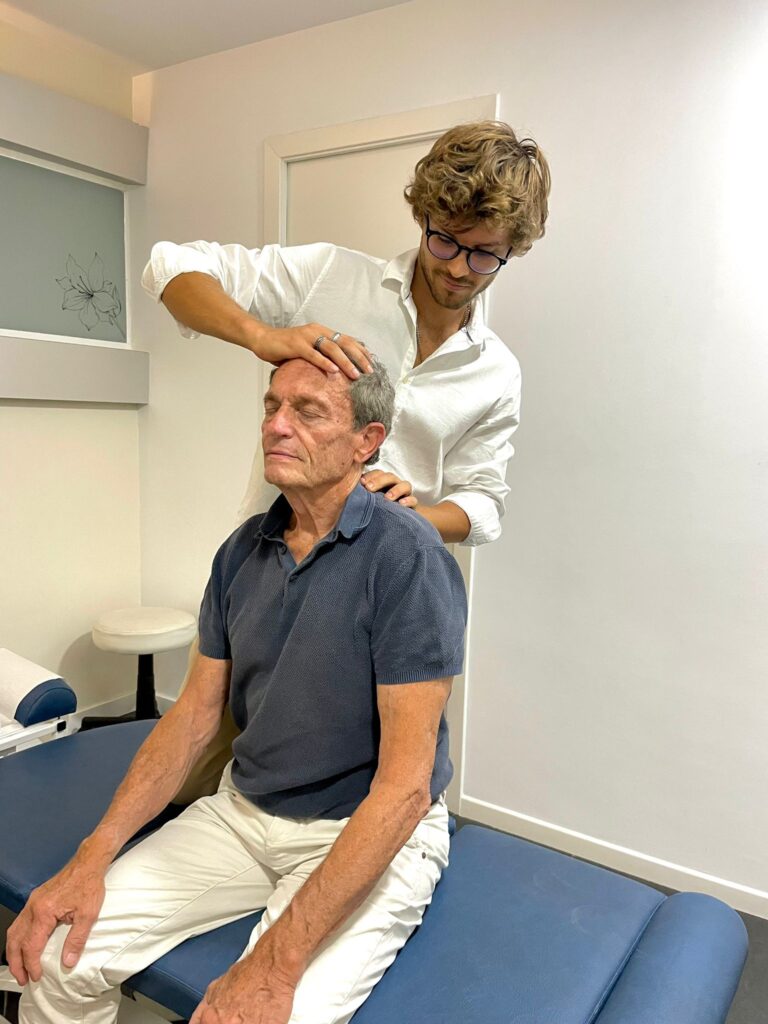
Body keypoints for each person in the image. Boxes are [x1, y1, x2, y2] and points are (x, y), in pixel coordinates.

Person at [8, 355, 467, 1024]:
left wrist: (273, 966)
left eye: (308, 412)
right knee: (57, 959)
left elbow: (404, 788)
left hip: (362, 827)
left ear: (366, 442)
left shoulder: (408, 557)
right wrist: (90, 858)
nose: (276, 425)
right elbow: (192, 718)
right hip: (245, 811)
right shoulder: (240, 552)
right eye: (271, 406)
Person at [141, 119, 551, 547]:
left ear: (512, 249)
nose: (458, 268)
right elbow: (172, 268)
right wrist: (261, 336)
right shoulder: (328, 275)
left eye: (484, 254)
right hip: (271, 562)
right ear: (423, 217)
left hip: (391, 571)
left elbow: (484, 501)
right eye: (445, 240)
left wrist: (412, 517)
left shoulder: (496, 372)